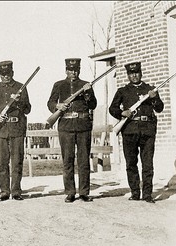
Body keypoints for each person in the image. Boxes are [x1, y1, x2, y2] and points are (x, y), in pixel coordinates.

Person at [109, 62, 164, 203]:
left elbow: (159, 108)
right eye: (131, 73)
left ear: (141, 73)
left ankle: (147, 195)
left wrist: (154, 98)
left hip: (147, 130)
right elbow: (112, 108)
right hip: (129, 130)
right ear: (128, 75)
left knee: (147, 164)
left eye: (136, 72)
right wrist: (122, 112)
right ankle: (135, 193)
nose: (134, 75)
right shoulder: (122, 91)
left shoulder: (150, 89)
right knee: (131, 163)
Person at [47, 58, 97, 203]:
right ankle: (70, 192)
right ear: (66, 70)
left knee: (83, 160)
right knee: (67, 160)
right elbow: (50, 102)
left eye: (75, 70)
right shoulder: (59, 85)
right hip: (66, 126)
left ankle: (84, 192)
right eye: (70, 70)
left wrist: (87, 94)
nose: (73, 72)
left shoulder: (85, 85)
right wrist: (58, 107)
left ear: (79, 70)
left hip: (83, 126)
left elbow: (93, 105)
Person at [0, 60, 31, 201]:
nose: (6, 77)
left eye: (8, 74)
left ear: (12, 73)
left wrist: (19, 101)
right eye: (3, 74)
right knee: (2, 162)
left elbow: (28, 109)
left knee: (17, 162)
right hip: (1, 130)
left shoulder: (21, 88)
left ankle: (16, 191)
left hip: (17, 129)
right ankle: (4, 191)